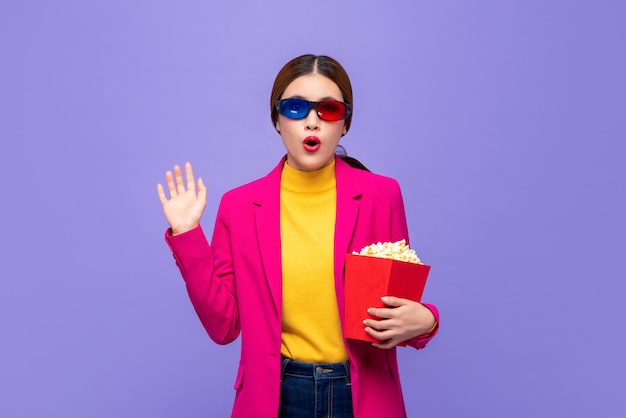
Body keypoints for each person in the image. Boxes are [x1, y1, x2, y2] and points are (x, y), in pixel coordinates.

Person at [157, 54, 439, 418]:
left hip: (362, 395)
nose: (312, 122)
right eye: (295, 108)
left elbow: (398, 310)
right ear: (276, 120)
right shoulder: (239, 206)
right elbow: (224, 326)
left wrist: (427, 321)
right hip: (276, 395)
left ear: (345, 123)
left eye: (329, 109)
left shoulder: (381, 196)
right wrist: (186, 234)